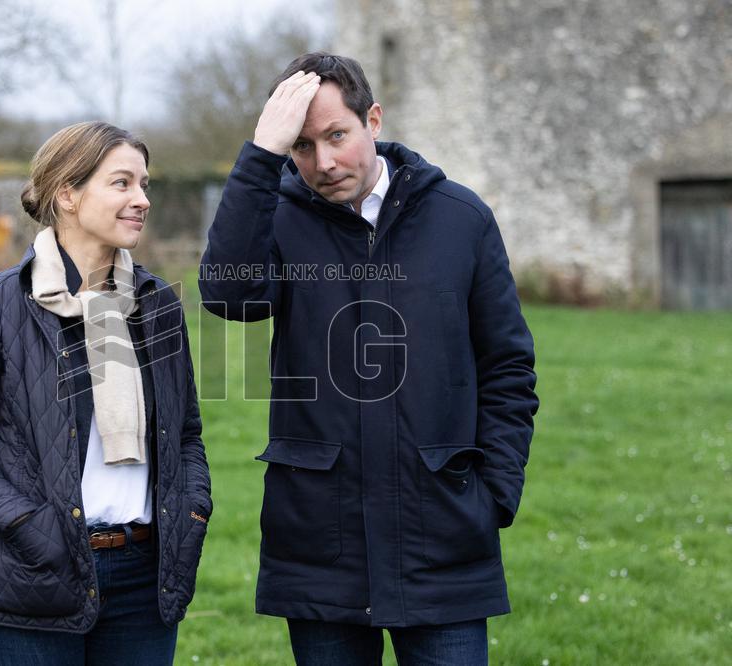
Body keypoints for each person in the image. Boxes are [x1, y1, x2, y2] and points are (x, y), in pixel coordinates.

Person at [199, 53, 539, 665]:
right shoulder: (277, 219)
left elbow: (508, 367)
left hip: (445, 534)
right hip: (320, 542)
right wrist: (260, 158)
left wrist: (496, 493)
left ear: (373, 120)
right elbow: (229, 296)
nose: (324, 163)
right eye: (302, 146)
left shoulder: (461, 219)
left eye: (337, 136)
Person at [0, 121, 212, 666]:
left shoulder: (157, 306)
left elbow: (187, 434)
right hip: (36, 574)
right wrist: (28, 527)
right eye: (122, 184)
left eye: (144, 185)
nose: (142, 200)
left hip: (145, 580)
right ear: (68, 194)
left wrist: (194, 511)